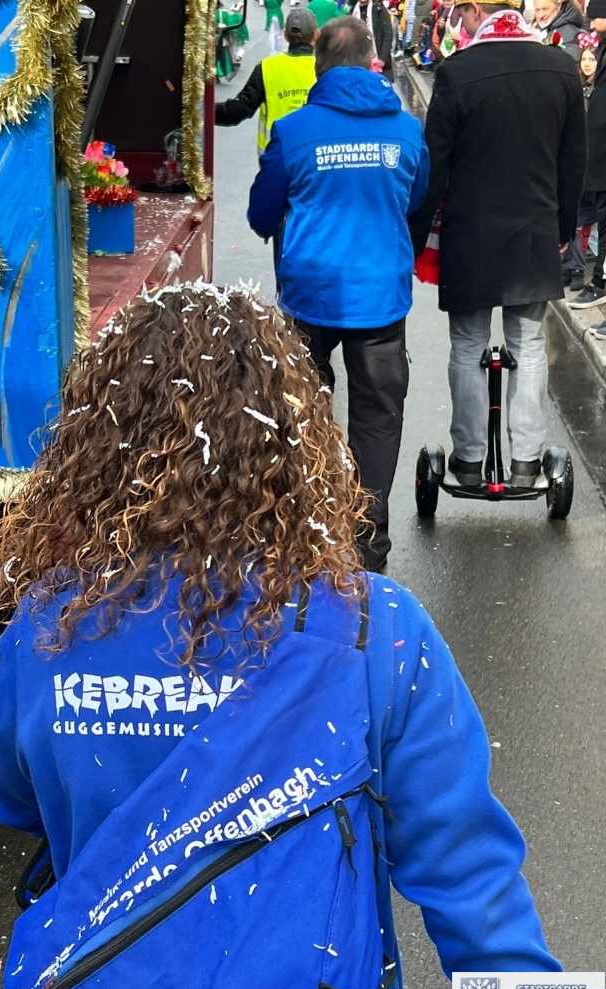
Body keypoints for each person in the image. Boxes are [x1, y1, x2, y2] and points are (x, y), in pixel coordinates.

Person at [0, 282, 562, 989]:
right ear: (292, 444)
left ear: (96, 448)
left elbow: (7, 793)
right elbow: (474, 886)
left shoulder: (50, 625)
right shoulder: (374, 631)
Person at [247, 16, 429, 572]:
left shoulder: (295, 130)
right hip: (380, 298)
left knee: (303, 409)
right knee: (377, 416)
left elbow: (261, 214)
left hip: (311, 296)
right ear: (372, 63)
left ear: (318, 67)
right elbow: (416, 201)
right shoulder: (407, 130)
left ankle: (308, 530)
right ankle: (368, 547)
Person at [408, 0, 586, 489]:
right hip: (534, 231)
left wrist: (415, 237)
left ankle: (468, 460)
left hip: (471, 234)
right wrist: (564, 230)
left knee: (467, 345)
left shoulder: (458, 72)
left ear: (475, 13)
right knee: (528, 344)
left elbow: (433, 166)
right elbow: (573, 162)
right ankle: (526, 461)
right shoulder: (561, 69)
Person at [215, 8, 318, 155]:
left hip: (276, 156)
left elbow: (239, 109)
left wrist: (205, 111)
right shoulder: (325, 68)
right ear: (316, 34)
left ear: (285, 35)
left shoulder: (267, 67)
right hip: (316, 156)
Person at [568, 9, 606, 310]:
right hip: (594, 157)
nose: (591, 23)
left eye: (595, 17)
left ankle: (599, 281)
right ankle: (592, 277)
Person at [561, 32, 599, 292]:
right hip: (580, 160)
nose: (586, 64)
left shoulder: (598, 92)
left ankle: (575, 268)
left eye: (592, 59)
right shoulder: (578, 89)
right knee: (573, 214)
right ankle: (570, 267)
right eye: (584, 59)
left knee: (580, 215)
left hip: (595, 164)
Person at [351, 0, 397, 78]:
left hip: (377, 60)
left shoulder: (379, 9)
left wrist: (383, 58)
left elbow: (388, 34)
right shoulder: (352, 11)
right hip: (357, 61)